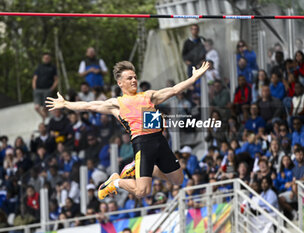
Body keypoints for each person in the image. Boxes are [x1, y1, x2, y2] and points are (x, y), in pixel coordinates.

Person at [46, 61, 210, 199]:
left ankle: (149, 169)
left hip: (160, 141)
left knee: (178, 180)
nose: (134, 80)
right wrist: (66, 104)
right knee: (142, 191)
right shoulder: (116, 103)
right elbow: (88, 106)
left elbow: (174, 90)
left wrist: (194, 77)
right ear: (120, 83)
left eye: (135, 77)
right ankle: (116, 181)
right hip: (143, 145)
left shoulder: (148, 95)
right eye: (129, 78)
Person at [32, 53, 58, 122]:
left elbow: (56, 79)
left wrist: (52, 88)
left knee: (45, 107)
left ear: (50, 59)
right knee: (36, 107)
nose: (46, 59)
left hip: (47, 89)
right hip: (38, 89)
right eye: (45, 58)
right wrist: (34, 88)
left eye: (47, 58)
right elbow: (35, 78)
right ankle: (45, 119)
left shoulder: (53, 67)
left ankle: (45, 121)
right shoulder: (39, 67)